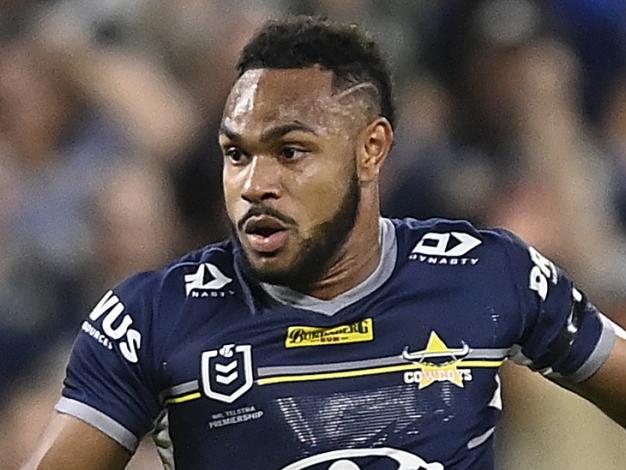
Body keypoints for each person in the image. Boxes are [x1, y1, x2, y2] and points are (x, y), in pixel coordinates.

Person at [24, 16, 626, 470]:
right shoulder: (153, 317)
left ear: (371, 149)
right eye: (237, 154)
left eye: (290, 152)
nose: (255, 186)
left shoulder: (487, 275)